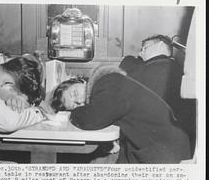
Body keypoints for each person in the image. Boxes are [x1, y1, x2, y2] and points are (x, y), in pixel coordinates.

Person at [51, 66, 191, 164]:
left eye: (74, 93)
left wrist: (72, 113)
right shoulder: (107, 84)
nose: (80, 101)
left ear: (79, 81)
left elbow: (93, 119)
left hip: (166, 153)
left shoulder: (107, 83)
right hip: (158, 145)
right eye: (75, 104)